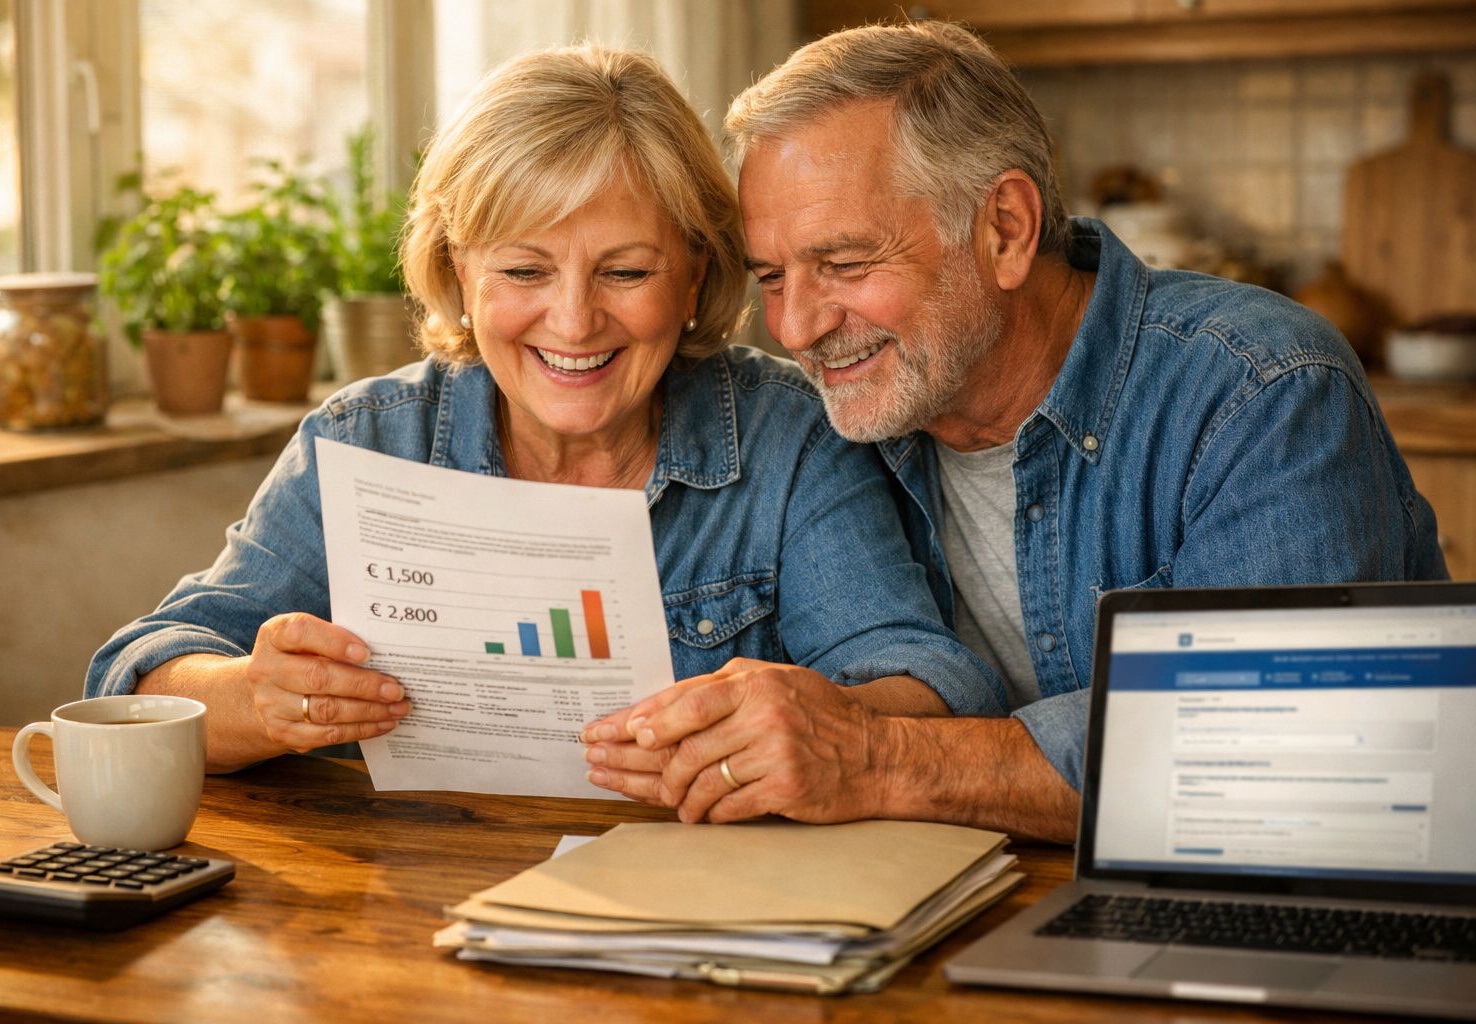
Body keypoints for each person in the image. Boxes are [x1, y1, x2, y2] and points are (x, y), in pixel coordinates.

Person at [579, 21, 1447, 841]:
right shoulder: (830, 424)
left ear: (1005, 229)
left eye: (844, 263)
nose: (796, 327)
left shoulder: (1262, 391)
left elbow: (1275, 754)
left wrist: (876, 758)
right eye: (772, 276)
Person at [84, 44, 1004, 774]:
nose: (573, 321)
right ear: (458, 273)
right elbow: (137, 675)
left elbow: (929, 682)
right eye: (524, 271)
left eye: (625, 272)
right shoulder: (368, 440)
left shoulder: (786, 436)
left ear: (695, 274)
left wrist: (825, 722)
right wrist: (253, 696)